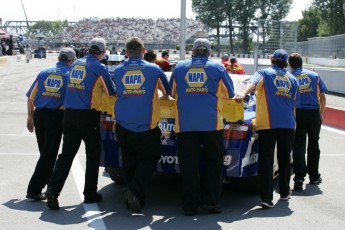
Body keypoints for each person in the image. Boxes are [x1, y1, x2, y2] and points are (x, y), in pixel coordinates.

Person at [45, 37, 116, 210]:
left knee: (66, 154)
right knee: (93, 154)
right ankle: (90, 193)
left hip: (69, 114)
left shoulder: (75, 64)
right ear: (103, 52)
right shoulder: (100, 67)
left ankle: (53, 189)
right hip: (88, 115)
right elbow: (111, 90)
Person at [169, 38, 235, 216]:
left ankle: (189, 206)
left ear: (193, 51)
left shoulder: (179, 68)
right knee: (214, 164)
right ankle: (210, 203)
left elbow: (172, 94)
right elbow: (230, 94)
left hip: (185, 125)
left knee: (188, 166)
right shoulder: (218, 68)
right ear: (210, 53)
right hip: (211, 124)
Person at [234, 49, 299, 208]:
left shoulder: (263, 72)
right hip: (288, 124)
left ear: (272, 60)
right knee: (284, 159)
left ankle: (266, 198)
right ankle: (284, 192)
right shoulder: (292, 79)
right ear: (285, 62)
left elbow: (252, 84)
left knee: (266, 160)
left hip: (267, 124)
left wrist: (242, 94)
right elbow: (294, 102)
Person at [112, 37, 169, 213]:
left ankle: (135, 199)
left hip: (123, 124)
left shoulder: (118, 70)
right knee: (149, 160)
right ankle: (133, 191)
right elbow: (167, 91)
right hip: (146, 125)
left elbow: (115, 92)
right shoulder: (154, 69)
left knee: (129, 161)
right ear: (144, 51)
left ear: (126, 52)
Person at [25, 48, 76, 201]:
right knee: (48, 154)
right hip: (56, 116)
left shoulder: (44, 72)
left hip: (39, 114)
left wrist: (30, 116)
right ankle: (34, 189)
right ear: (72, 60)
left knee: (45, 152)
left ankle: (46, 184)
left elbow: (30, 96)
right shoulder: (69, 75)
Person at [288, 53, 327, 190]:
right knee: (313, 145)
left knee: (298, 145)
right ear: (302, 62)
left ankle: (299, 177)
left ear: (290, 64)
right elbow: (322, 97)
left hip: (297, 114)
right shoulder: (314, 76)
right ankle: (314, 176)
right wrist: (321, 113)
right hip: (314, 113)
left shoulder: (290, 77)